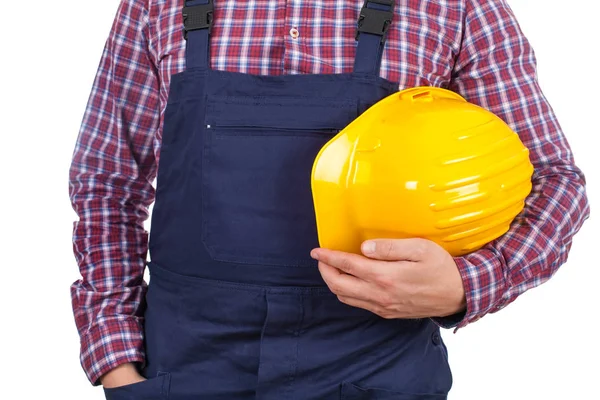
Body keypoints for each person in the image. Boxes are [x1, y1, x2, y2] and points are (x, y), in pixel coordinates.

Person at [68, 0, 590, 398]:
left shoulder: (455, 7)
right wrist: (115, 358)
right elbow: (107, 181)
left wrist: (469, 284)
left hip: (376, 369)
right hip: (184, 369)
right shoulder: (158, 5)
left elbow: (553, 179)